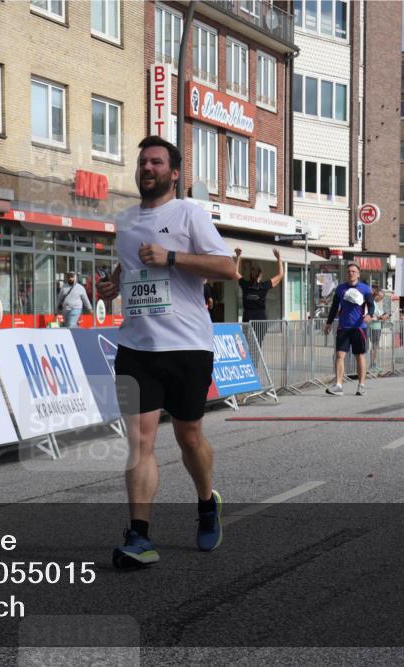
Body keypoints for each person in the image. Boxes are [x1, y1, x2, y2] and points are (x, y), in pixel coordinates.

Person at [95, 136, 237, 569]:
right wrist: (116, 281)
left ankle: (207, 501)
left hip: (187, 345)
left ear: (174, 173)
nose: (147, 167)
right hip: (136, 345)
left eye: (156, 162)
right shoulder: (124, 220)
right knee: (140, 442)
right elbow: (134, 261)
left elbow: (227, 267)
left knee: (188, 437)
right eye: (142, 162)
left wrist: (172, 256)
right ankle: (139, 536)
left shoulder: (188, 214)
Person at [323, 263, 375, 396]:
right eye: (348, 272)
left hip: (358, 327)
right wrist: (328, 323)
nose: (350, 273)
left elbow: (371, 306)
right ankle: (339, 385)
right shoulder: (340, 289)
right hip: (343, 327)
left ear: (358, 274)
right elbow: (334, 307)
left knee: (359, 356)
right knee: (340, 355)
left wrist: (369, 315)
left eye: (353, 271)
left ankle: (361, 385)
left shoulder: (365, 289)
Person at [234, 247, 284, 322]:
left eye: (254, 270)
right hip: (252, 322)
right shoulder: (251, 285)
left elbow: (235, 273)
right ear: (260, 275)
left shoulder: (253, 285)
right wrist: (278, 259)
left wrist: (238, 256)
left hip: (256, 322)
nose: (254, 273)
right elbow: (281, 275)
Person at [368, 288, 390, 371]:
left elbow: (379, 314)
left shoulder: (376, 304)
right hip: (373, 327)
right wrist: (381, 317)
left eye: (382, 298)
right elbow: (371, 316)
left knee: (375, 346)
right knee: (374, 346)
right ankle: (372, 364)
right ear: (376, 296)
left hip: (377, 327)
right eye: (381, 297)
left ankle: (374, 363)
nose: (381, 299)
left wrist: (385, 316)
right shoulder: (372, 303)